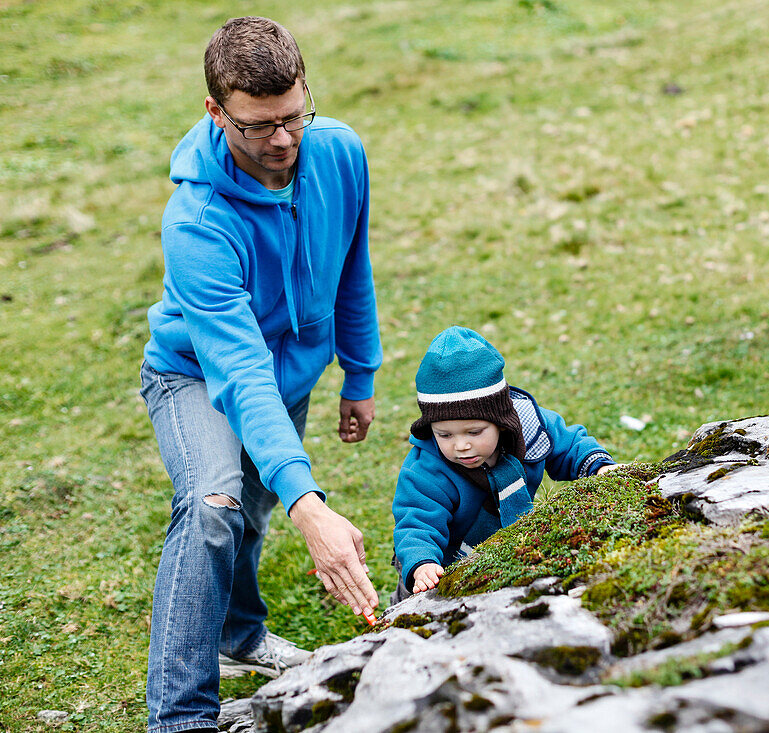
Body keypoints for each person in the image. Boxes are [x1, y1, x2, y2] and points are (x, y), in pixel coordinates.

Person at [139, 16, 381, 733]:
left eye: (293, 117)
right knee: (214, 504)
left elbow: (351, 267)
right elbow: (238, 370)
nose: (281, 140)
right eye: (256, 126)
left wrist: (359, 372)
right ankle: (180, 716)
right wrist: (314, 504)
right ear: (216, 112)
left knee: (251, 514)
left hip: (293, 370)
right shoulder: (197, 220)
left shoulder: (338, 152)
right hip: (192, 370)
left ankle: (239, 637)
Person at [391, 326, 621, 602]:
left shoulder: (530, 427)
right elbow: (416, 521)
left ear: (501, 421)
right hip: (442, 562)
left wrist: (598, 467)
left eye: (474, 432)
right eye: (445, 435)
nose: (461, 445)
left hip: (508, 548)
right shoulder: (426, 468)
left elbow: (569, 444)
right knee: (420, 600)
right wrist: (422, 563)